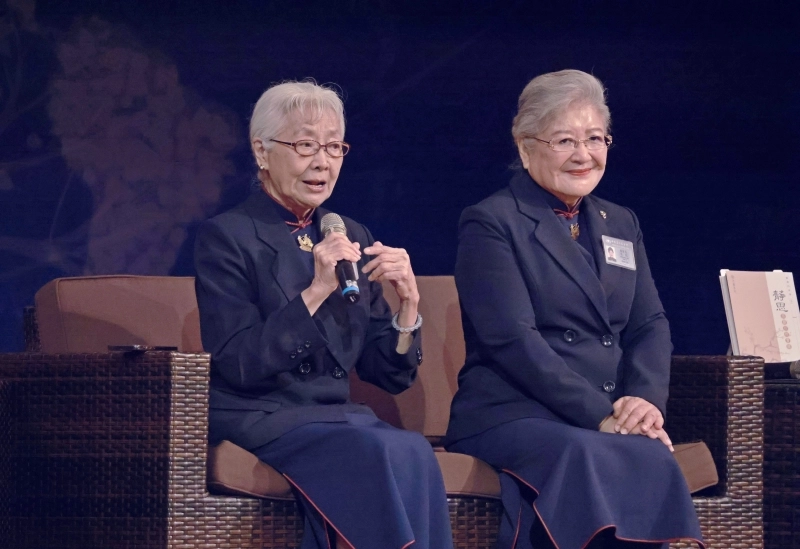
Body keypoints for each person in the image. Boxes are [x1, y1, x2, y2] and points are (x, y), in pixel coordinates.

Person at [445, 70, 704, 549]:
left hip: (606, 414)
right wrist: (602, 416)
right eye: (565, 140)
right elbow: (512, 340)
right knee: (587, 451)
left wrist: (643, 401)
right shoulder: (492, 221)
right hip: (514, 413)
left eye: (595, 138)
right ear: (526, 147)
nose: (583, 154)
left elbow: (649, 324)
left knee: (650, 453)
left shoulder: (620, 221)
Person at [194, 80, 452, 549]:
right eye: (306, 145)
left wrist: (408, 308)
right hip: (261, 412)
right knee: (371, 447)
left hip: (334, 416)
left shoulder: (349, 234)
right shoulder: (228, 237)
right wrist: (315, 292)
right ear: (262, 152)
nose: (323, 162)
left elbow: (387, 373)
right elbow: (237, 362)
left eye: (334, 147)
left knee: (412, 448)